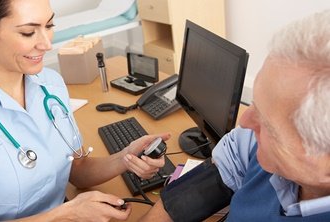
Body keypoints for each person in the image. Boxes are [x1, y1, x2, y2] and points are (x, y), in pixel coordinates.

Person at [0, 0, 169, 221]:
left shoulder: (50, 84)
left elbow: (76, 168)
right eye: (28, 32)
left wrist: (125, 158)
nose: (46, 44)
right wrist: (66, 214)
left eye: (49, 26)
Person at [140, 9, 330, 221]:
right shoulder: (253, 144)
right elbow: (178, 202)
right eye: (255, 104)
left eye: (268, 125)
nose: (244, 122)